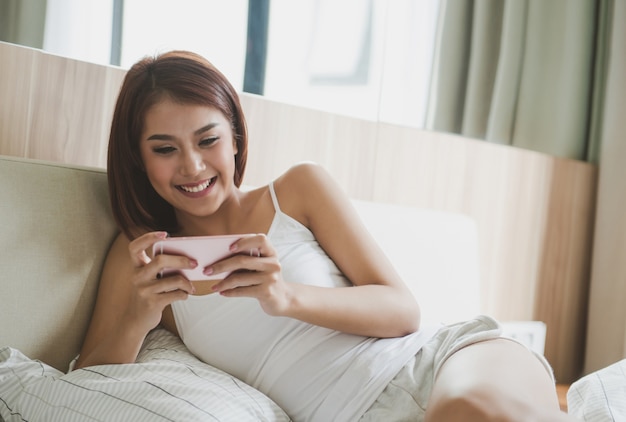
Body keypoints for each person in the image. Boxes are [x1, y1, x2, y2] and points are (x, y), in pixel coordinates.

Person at [76, 50, 575, 421]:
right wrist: (140, 316)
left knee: (469, 410)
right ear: (138, 158)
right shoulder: (141, 256)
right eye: (164, 149)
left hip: (441, 363)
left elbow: (403, 311)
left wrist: (285, 296)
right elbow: (88, 380)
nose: (192, 165)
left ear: (234, 139)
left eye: (208, 140)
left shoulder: (297, 190)